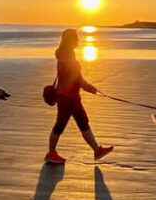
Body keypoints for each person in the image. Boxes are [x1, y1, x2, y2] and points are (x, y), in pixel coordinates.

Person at [46, 28, 113, 165]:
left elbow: (76, 77)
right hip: (66, 97)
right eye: (76, 37)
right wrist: (89, 88)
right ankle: (51, 154)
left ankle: (97, 150)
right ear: (70, 40)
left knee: (83, 122)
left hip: (72, 96)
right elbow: (76, 78)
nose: (78, 39)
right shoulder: (66, 55)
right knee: (60, 125)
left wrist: (88, 87)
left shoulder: (68, 54)